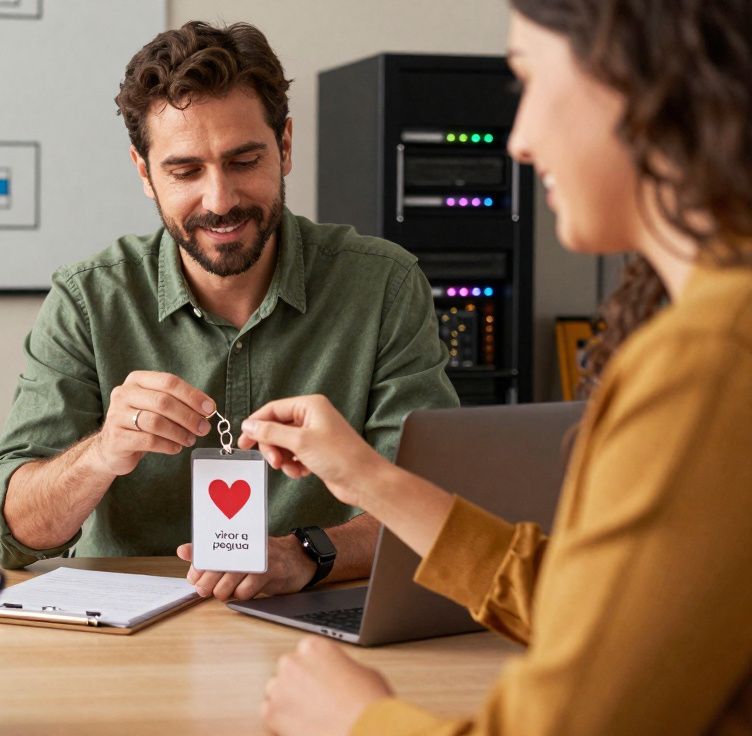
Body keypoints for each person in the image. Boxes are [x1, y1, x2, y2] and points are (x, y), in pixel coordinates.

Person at [250, 1, 752, 734]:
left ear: (638, 76)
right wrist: (366, 477)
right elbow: (598, 617)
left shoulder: (706, 363)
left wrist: (355, 719)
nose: (518, 140)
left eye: (527, 81)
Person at [0, 21, 459, 600]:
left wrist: (306, 553)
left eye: (244, 160)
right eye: (185, 172)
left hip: (312, 626)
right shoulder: (89, 299)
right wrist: (103, 452)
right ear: (144, 173)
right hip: (124, 649)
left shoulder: (383, 286)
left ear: (284, 147)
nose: (220, 200)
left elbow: (433, 515)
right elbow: (12, 533)